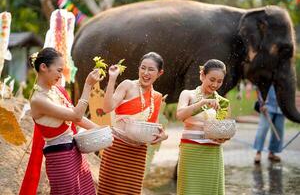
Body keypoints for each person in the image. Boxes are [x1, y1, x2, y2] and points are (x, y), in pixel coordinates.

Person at [20, 47, 102, 195]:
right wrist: (88, 85)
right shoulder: (38, 100)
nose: (60, 75)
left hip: (74, 151)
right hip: (60, 158)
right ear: (44, 67)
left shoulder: (56, 90)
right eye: (59, 70)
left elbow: (77, 119)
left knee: (85, 191)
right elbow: (76, 116)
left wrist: (104, 130)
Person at [97, 52, 168, 194]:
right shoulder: (127, 85)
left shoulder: (157, 97)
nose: (146, 73)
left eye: (151, 69)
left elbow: (153, 130)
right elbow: (107, 107)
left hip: (138, 154)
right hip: (116, 149)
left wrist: (163, 136)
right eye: (143, 68)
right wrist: (112, 79)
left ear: (160, 73)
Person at [176, 59, 230, 195]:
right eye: (212, 79)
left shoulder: (222, 102)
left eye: (219, 81)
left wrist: (224, 137)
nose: (215, 84)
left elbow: (223, 128)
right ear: (202, 75)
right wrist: (202, 103)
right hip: (191, 151)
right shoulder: (188, 94)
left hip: (213, 153)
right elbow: (180, 115)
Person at [253, 85, 285, 163]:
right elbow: (258, 87)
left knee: (278, 130)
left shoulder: (285, 75)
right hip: (267, 107)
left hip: (281, 108)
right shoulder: (267, 74)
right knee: (263, 129)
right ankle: (258, 152)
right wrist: (262, 104)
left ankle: (272, 153)